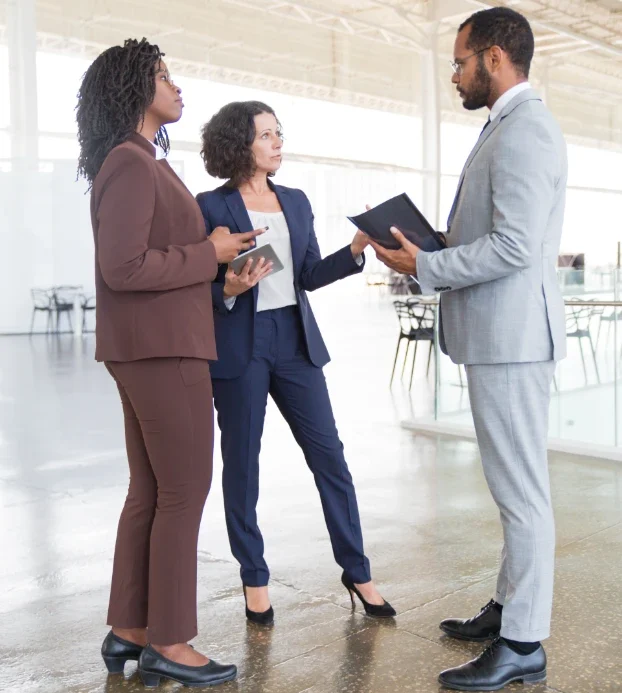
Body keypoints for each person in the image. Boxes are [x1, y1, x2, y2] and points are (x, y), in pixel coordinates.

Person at [367, 8, 567, 691]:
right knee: (513, 488)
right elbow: (495, 232)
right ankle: (511, 606)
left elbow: (515, 246)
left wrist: (425, 267)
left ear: (494, 58)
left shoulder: (527, 131)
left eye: (460, 62)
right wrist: (431, 249)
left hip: (512, 339)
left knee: (522, 495)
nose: (454, 75)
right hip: (499, 336)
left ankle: (523, 643)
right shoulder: (505, 127)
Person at [77, 38, 262, 688]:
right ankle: (171, 642)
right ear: (135, 89)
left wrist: (219, 267)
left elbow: (153, 258)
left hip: (149, 344)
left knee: (151, 492)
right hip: (164, 348)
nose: (176, 86)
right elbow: (123, 267)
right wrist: (209, 254)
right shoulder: (132, 163)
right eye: (163, 76)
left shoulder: (135, 160)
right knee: (184, 491)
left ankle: (130, 628)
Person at [195, 101, 395, 624]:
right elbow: (197, 283)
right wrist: (229, 288)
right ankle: (253, 577)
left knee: (330, 455)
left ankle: (357, 569)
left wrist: (354, 250)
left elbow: (306, 274)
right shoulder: (209, 207)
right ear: (241, 144)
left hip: (295, 340)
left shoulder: (298, 202)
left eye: (279, 133)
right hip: (241, 341)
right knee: (242, 464)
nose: (279, 142)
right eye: (267, 135)